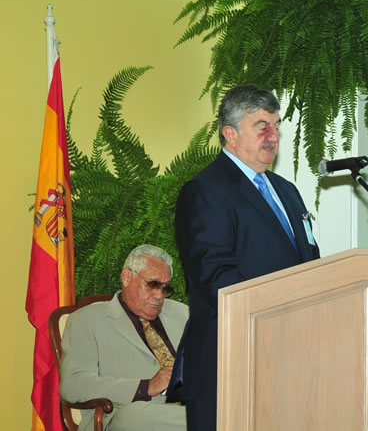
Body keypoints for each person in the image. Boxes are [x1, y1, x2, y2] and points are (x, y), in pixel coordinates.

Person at [174, 84, 320, 431]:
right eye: (261, 127)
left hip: (289, 358)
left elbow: (310, 261)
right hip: (230, 360)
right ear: (230, 134)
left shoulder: (287, 191)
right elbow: (216, 277)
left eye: (276, 125)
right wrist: (278, 313)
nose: (273, 136)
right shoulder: (204, 191)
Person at [59, 244, 188, 431]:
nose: (159, 296)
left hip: (186, 408)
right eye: (152, 284)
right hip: (128, 417)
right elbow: (73, 385)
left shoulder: (183, 314)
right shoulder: (86, 320)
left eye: (165, 288)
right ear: (127, 277)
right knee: (132, 417)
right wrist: (146, 386)